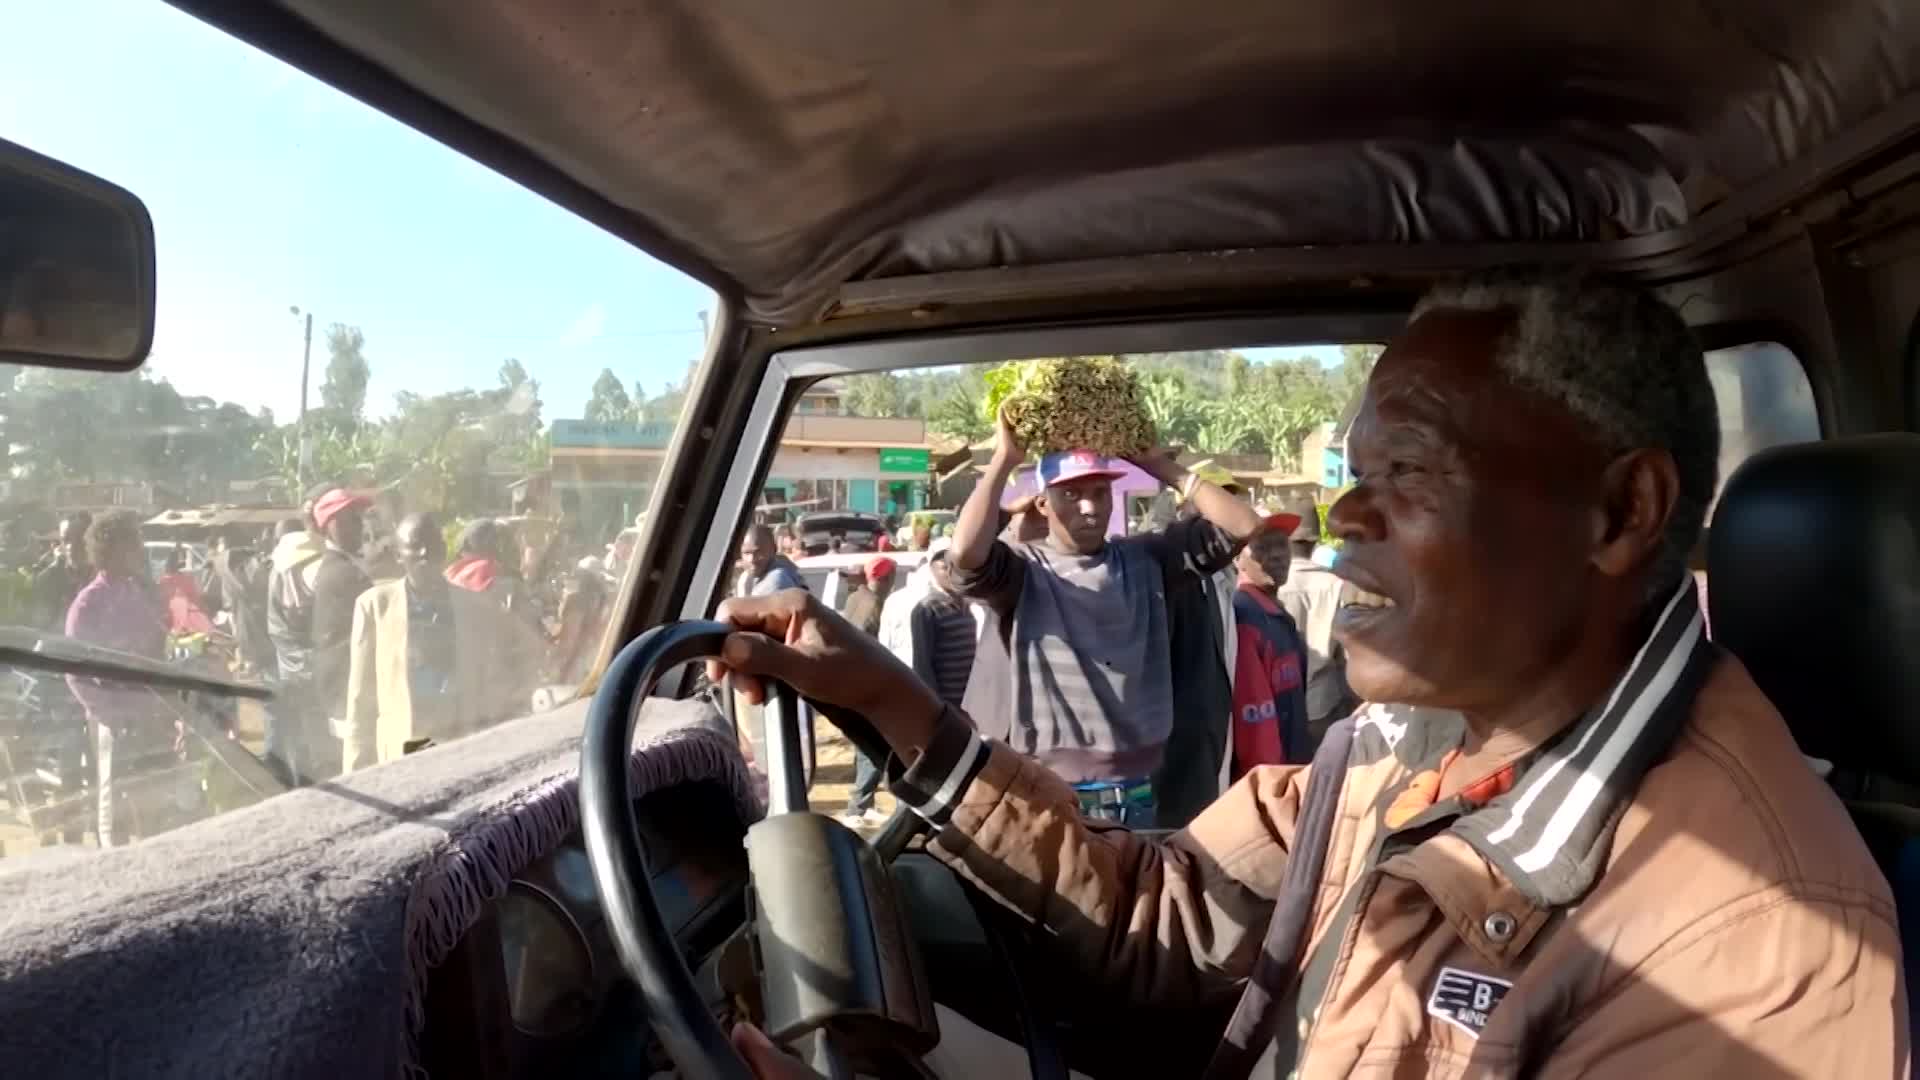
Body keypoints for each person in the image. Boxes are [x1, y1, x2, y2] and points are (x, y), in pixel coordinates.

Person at [714, 271, 1904, 1077]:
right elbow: (1169, 919)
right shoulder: (1408, 751)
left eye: (1410, 472)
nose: (1344, 518)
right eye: (1355, 473)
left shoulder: (1757, 953)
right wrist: (887, 700)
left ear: (1620, 512)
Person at [950, 420, 1264, 828]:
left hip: (1137, 795)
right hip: (1050, 793)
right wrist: (1004, 460)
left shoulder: (1147, 560)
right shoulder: (1023, 571)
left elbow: (1244, 525)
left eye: (1100, 492)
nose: (1090, 507)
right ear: (1043, 504)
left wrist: (1157, 464)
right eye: (1071, 494)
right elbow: (964, 553)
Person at [339, 513, 529, 771]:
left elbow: (491, 683)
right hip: (402, 752)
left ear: (443, 549)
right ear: (398, 555)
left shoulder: (474, 606)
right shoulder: (375, 607)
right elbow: (360, 700)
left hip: (460, 747)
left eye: (432, 543)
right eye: (415, 545)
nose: (426, 553)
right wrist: (355, 772)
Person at [63, 510, 175, 846]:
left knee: (151, 796)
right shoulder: (88, 603)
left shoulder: (137, 593)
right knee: (113, 801)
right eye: (133, 544)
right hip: (112, 722)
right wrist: (109, 714)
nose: (140, 551)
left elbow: (154, 646)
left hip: (147, 713)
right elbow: (74, 671)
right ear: (110, 550)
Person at [1152, 465, 1246, 828]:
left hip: (1215, 743)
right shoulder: (1169, 578)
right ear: (1186, 510)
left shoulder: (1225, 579)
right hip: (1179, 758)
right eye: (1214, 503)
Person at [267, 485, 371, 784]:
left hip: (309, 672)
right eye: (349, 519)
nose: (360, 525)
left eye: (358, 517)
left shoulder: (329, 565)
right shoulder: (335, 572)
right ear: (328, 525)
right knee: (343, 765)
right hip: (335, 683)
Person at [1229, 513, 1311, 773]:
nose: (1277, 555)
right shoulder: (1246, 618)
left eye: (1282, 545)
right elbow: (1254, 722)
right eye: (1263, 547)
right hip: (1272, 777)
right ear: (1238, 558)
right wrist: (1270, 782)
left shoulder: (1276, 615)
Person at [1274, 497, 1358, 743]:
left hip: (1278, 705)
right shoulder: (1337, 585)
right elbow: (1349, 653)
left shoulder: (1270, 585)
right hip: (1324, 704)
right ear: (1315, 541)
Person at [837, 555, 897, 826]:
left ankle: (865, 803)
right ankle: (857, 808)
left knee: (863, 746)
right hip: (864, 683)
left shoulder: (855, 598)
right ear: (886, 579)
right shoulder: (875, 606)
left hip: (848, 682)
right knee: (872, 747)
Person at [31, 512, 93, 631]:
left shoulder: (107, 578)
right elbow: (41, 625)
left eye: (80, 540)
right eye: (66, 539)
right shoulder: (49, 578)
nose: (71, 546)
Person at [736, 523, 806, 597]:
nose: (751, 559)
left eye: (758, 552)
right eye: (746, 553)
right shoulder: (746, 577)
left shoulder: (778, 578)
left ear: (774, 549)